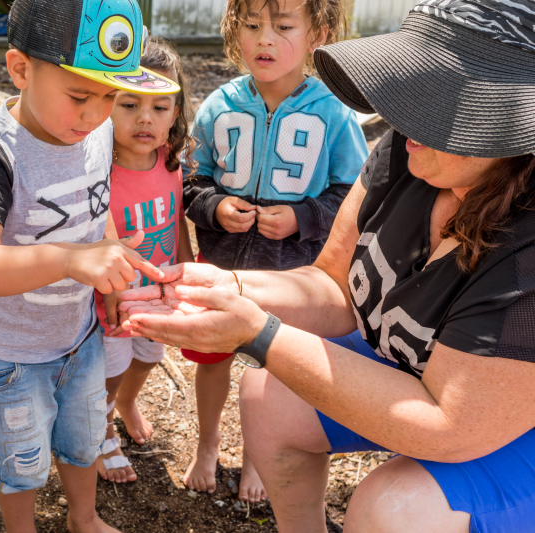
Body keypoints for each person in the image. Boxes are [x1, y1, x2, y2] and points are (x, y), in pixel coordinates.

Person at [118, 0, 535, 531]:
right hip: (425, 377)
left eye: (434, 102)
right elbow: (334, 286)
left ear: (504, 123)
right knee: (268, 395)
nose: (404, 115)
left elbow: (447, 424)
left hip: (498, 419)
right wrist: (232, 285)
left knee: (392, 509)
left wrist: (256, 332)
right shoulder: (409, 153)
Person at [0, 1, 180, 531]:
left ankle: (83, 517)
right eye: (79, 96)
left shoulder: (94, 132)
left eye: (110, 97)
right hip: (12, 353)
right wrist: (70, 260)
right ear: (20, 69)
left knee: (83, 440)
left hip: (80, 336)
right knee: (21, 463)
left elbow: (96, 211)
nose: (96, 115)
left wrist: (115, 267)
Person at [179, 0, 368, 502]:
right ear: (233, 31)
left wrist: (302, 217)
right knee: (213, 358)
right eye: (252, 25)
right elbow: (191, 181)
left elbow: (354, 196)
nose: (265, 39)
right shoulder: (218, 105)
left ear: (316, 34)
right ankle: (208, 444)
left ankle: (261, 455)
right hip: (223, 265)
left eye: (283, 27)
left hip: (293, 274)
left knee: (276, 366)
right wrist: (215, 207)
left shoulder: (335, 111)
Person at [94, 38, 196, 485]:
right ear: (106, 104)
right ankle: (102, 429)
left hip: (156, 290)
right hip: (113, 297)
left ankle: (127, 402)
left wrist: (187, 264)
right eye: (129, 104)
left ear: (175, 113)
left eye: (159, 108)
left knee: (150, 357)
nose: (144, 119)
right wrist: (112, 290)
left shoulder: (170, 161)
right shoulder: (98, 169)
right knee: (111, 369)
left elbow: (176, 220)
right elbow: (96, 235)